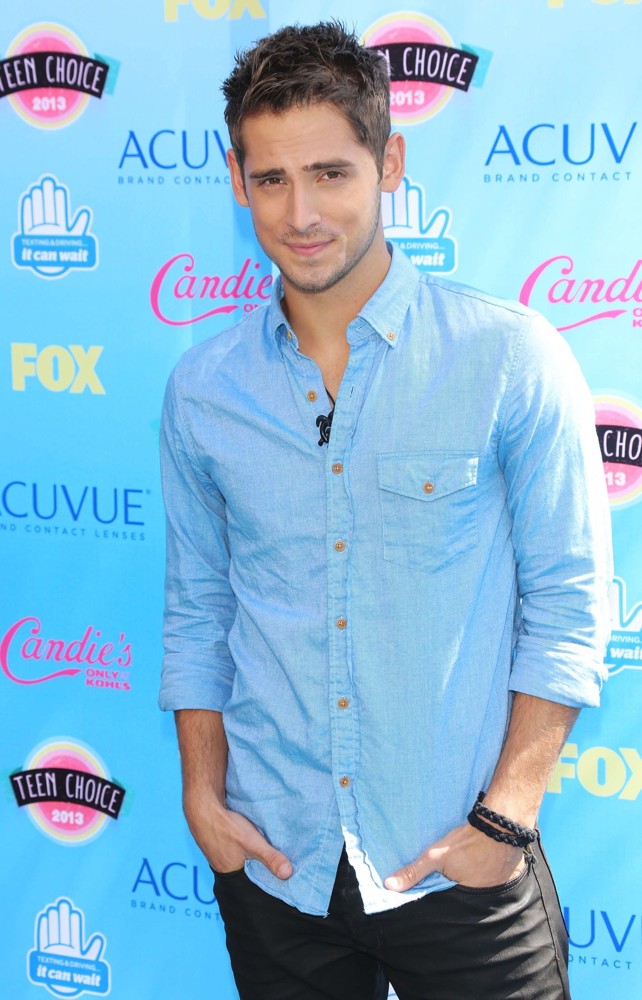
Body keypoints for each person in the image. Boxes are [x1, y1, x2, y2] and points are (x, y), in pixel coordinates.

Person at [159, 21, 612, 1000]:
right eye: (271, 178)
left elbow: (571, 609)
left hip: (462, 864)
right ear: (237, 182)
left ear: (388, 162)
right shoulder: (202, 392)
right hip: (277, 865)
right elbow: (199, 610)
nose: (301, 211)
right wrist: (203, 792)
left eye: (330, 172)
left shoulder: (508, 358)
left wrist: (507, 818)